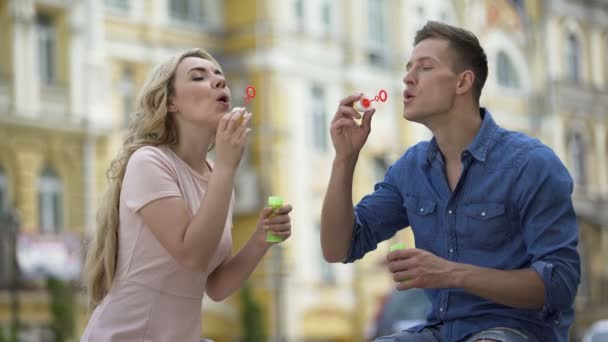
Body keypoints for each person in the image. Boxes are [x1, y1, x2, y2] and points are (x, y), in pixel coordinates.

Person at [320, 21, 580, 342]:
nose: (408, 77)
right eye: (408, 68)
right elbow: (338, 248)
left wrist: (449, 273)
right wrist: (345, 158)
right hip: (442, 332)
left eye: (425, 67)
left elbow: (560, 285)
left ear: (463, 82)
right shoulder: (411, 168)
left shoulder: (531, 164)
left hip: (518, 332)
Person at [81, 48, 293, 342]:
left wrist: (262, 237)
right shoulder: (150, 162)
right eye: (199, 77)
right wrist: (227, 167)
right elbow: (192, 255)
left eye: (220, 77)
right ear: (171, 103)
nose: (219, 82)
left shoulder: (217, 175)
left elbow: (215, 285)